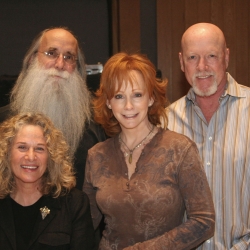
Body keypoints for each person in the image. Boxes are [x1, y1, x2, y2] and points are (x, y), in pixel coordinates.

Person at [83, 52, 215, 250]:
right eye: (119, 96)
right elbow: (84, 225)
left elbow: (204, 222)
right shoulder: (96, 155)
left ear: (151, 98)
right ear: (109, 103)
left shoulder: (179, 149)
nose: (128, 106)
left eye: (137, 95)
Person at [166, 22, 250, 249]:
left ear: (226, 57)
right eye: (193, 57)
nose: (202, 66)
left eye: (211, 55)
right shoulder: (165, 122)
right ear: (182, 62)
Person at [0, 27, 106, 190]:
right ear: (31, 59)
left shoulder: (95, 128)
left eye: (69, 57)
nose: (60, 64)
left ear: (76, 68)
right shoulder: (3, 121)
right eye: (51, 53)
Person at [0, 112, 95, 249]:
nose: (31, 156)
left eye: (39, 148)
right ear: (7, 153)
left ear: (51, 156)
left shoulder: (74, 203)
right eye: (22, 147)